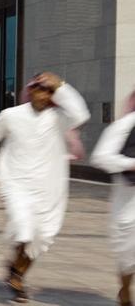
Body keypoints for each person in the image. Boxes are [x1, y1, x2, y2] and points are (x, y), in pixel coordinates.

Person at [0, 72, 90, 303]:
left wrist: (62, 84)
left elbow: (81, 113)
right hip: (16, 183)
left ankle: (16, 272)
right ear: (30, 90)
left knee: (42, 236)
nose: (44, 94)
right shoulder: (10, 115)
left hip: (50, 186)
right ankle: (16, 276)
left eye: (49, 90)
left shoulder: (59, 118)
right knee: (24, 227)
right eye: (40, 88)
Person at [90, 90, 135, 306]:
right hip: (129, 203)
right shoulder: (124, 125)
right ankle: (125, 290)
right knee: (128, 256)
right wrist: (130, 164)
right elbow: (101, 157)